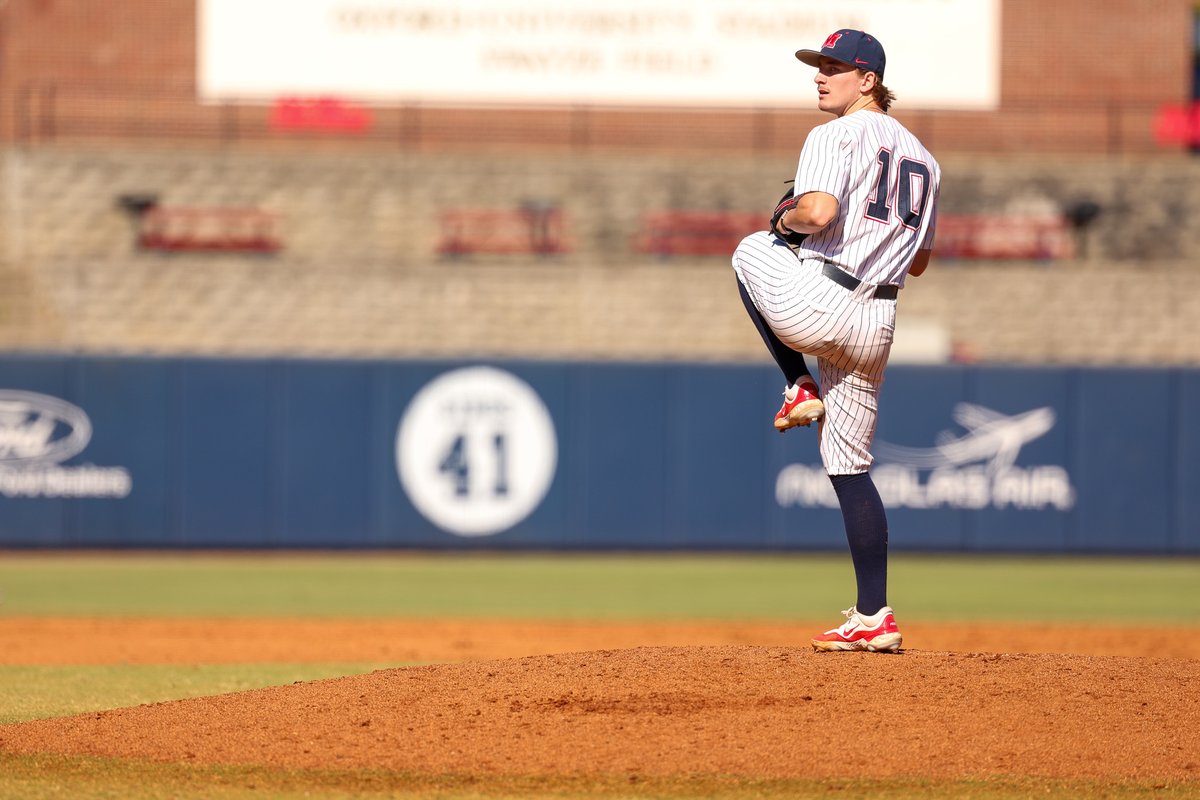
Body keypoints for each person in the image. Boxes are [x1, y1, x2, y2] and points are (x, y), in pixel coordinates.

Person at [731, 29, 940, 653]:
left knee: (750, 249)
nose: (820, 76)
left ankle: (795, 382)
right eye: (818, 66)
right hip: (878, 322)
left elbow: (817, 213)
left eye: (834, 67)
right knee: (849, 465)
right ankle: (874, 616)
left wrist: (782, 216)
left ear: (868, 80)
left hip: (821, 302)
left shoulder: (833, 134)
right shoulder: (926, 161)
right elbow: (921, 261)